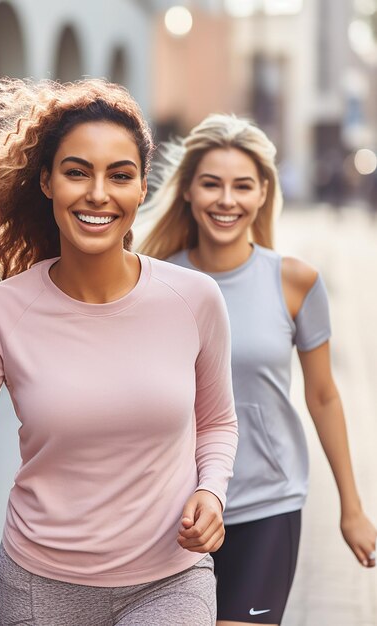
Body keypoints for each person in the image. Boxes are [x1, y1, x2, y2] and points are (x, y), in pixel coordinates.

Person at [0, 78, 239, 626]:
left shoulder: (194, 299)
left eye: (120, 175)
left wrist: (211, 491)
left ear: (142, 188)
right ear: (46, 181)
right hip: (38, 588)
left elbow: (216, 422)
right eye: (77, 172)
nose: (98, 193)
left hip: (172, 580)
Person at [139, 113, 377, 626]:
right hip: (174, 511)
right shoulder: (154, 282)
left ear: (264, 193)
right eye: (211, 184)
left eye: (242, 185)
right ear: (187, 192)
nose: (227, 200)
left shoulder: (294, 282)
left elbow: (324, 396)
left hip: (267, 503)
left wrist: (351, 508)